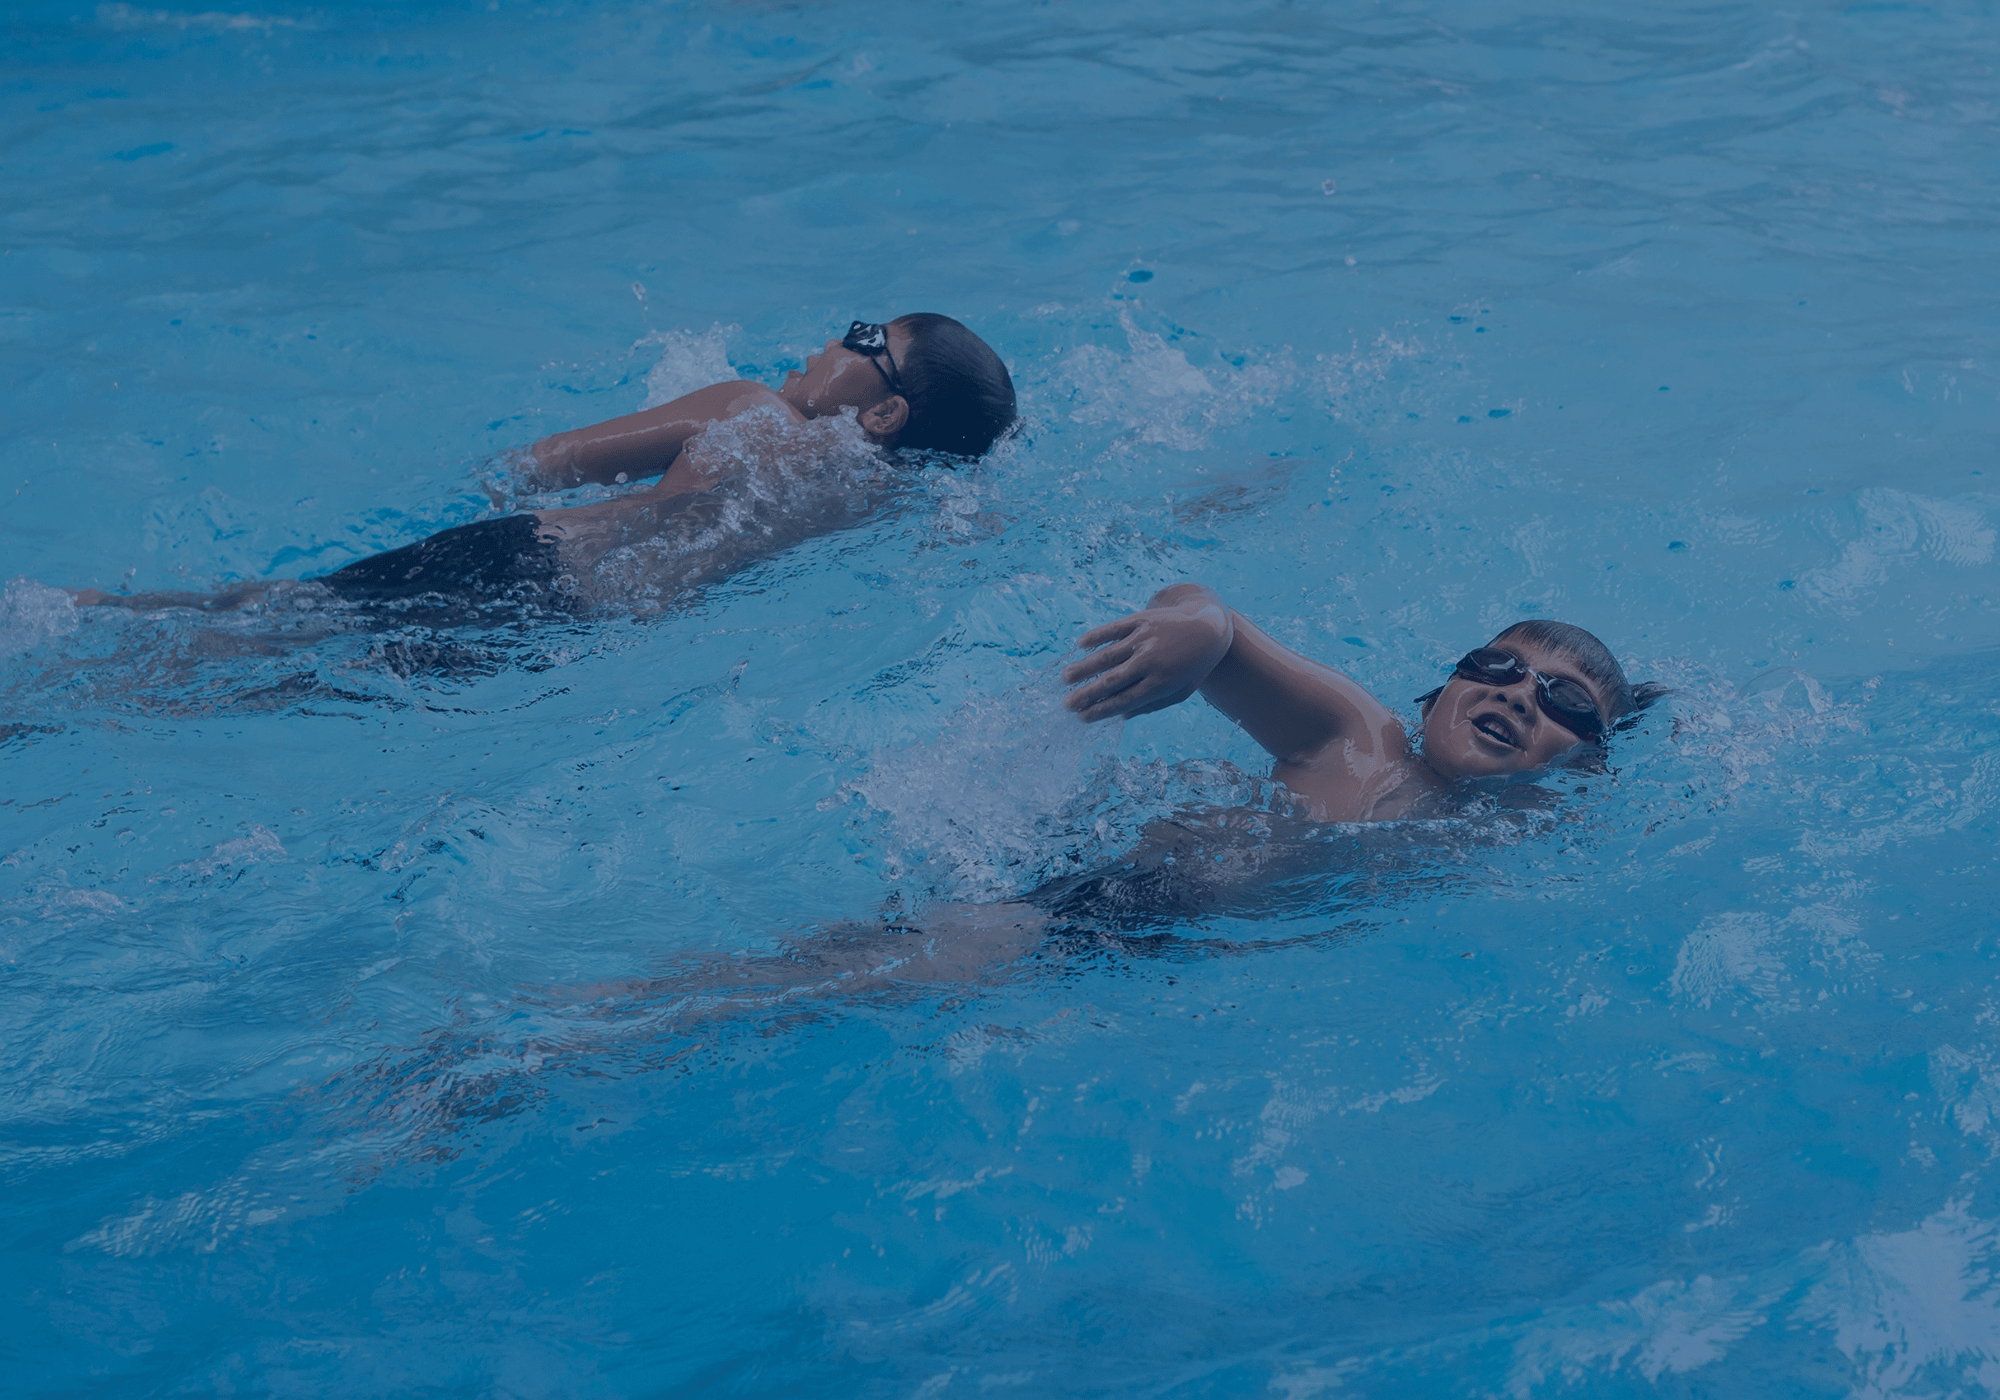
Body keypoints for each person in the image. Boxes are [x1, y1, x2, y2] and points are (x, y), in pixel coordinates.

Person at [74, 313, 1016, 618]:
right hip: (567, 636)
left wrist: (477, 489)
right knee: (271, 684)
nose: (831, 340)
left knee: (243, 618)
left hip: (522, 560)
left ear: (885, 410)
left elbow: (545, 464)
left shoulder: (754, 409)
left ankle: (65, 620)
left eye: (864, 337)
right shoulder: (881, 505)